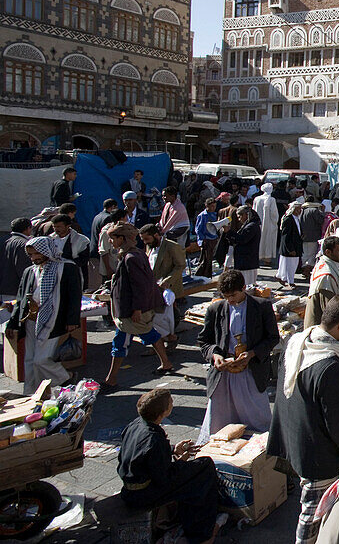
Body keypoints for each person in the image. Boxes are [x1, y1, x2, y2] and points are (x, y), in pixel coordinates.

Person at [268, 296, 339, 544]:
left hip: (293, 435)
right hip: (317, 452)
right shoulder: (328, 365)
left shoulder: (299, 341)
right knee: (313, 513)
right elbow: (337, 425)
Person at [117, 389, 227, 544]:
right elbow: (164, 477)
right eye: (171, 403)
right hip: (144, 494)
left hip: (130, 490)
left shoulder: (135, 425)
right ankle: (201, 533)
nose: (172, 404)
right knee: (205, 467)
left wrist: (173, 449)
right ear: (164, 412)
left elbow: (142, 453)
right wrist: (182, 462)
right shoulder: (154, 438)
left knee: (195, 468)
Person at [197, 269, 278, 441]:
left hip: (251, 371)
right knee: (220, 421)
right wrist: (215, 356)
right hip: (224, 375)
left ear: (243, 288)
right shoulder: (215, 309)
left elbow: (272, 338)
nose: (230, 300)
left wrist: (252, 354)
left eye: (233, 295)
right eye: (226, 296)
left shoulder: (261, 307)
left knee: (257, 419)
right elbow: (204, 341)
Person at [5, 236, 81, 393]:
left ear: (46, 251)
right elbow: (21, 299)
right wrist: (13, 322)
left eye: (36, 254)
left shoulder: (66, 268)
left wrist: (72, 319)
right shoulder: (30, 271)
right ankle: (32, 392)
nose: (33, 258)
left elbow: (74, 296)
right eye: (31, 255)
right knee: (30, 359)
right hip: (31, 319)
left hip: (53, 320)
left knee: (41, 360)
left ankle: (65, 377)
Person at [104, 222, 173, 388]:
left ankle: (111, 379)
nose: (111, 242)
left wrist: (137, 309)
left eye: (113, 238)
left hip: (132, 309)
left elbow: (140, 286)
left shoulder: (131, 258)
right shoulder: (133, 254)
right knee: (141, 335)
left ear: (122, 238)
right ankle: (166, 363)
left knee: (128, 339)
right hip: (130, 307)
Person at [140, 223, 186, 341]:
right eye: (143, 239)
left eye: (147, 239)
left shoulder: (171, 246)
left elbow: (180, 266)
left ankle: (169, 338)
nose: (145, 242)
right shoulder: (149, 247)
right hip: (153, 287)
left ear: (156, 235)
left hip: (167, 287)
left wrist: (167, 281)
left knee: (165, 316)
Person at [306, 236, 339, 328]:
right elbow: (329, 310)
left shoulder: (325, 264)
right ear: (328, 252)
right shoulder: (327, 275)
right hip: (320, 327)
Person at [49, 214, 91, 288]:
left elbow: (83, 260)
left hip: (73, 274)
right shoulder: (50, 239)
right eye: (54, 227)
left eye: (59, 227)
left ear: (68, 226)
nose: (56, 229)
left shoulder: (81, 240)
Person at [1, 218, 34, 304]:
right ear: (28, 228)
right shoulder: (24, 244)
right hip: (14, 289)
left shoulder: (3, 240)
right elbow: (23, 269)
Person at [226, 206, 261, 285]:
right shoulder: (250, 225)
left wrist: (229, 232)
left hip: (247, 260)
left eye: (240, 216)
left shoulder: (251, 226)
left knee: (247, 284)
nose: (239, 219)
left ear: (246, 215)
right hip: (247, 260)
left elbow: (242, 239)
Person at [278, 201, 305, 288]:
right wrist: (290, 249)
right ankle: (290, 282)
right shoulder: (288, 219)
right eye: (298, 209)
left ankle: (285, 279)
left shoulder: (297, 218)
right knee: (290, 266)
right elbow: (286, 236)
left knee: (293, 265)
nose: (300, 211)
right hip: (291, 247)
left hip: (296, 246)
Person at [253, 183, 279, 266]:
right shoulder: (271, 200)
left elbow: (253, 211)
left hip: (258, 224)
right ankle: (267, 259)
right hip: (269, 224)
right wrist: (275, 222)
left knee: (258, 240)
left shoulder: (257, 199)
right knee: (268, 241)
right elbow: (274, 214)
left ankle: (257, 257)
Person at [194, 198, 221, 278]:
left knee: (210, 259)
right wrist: (202, 240)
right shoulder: (202, 215)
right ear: (206, 206)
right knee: (205, 259)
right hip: (206, 240)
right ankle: (200, 275)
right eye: (211, 206)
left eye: (214, 206)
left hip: (213, 239)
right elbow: (198, 229)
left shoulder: (215, 214)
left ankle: (207, 275)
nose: (213, 208)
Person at [300, 201, 327, 270]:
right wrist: (323, 213)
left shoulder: (303, 211)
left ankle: (304, 268)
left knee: (305, 253)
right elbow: (320, 221)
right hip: (313, 236)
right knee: (312, 254)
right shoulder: (315, 211)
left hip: (304, 236)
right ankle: (308, 269)